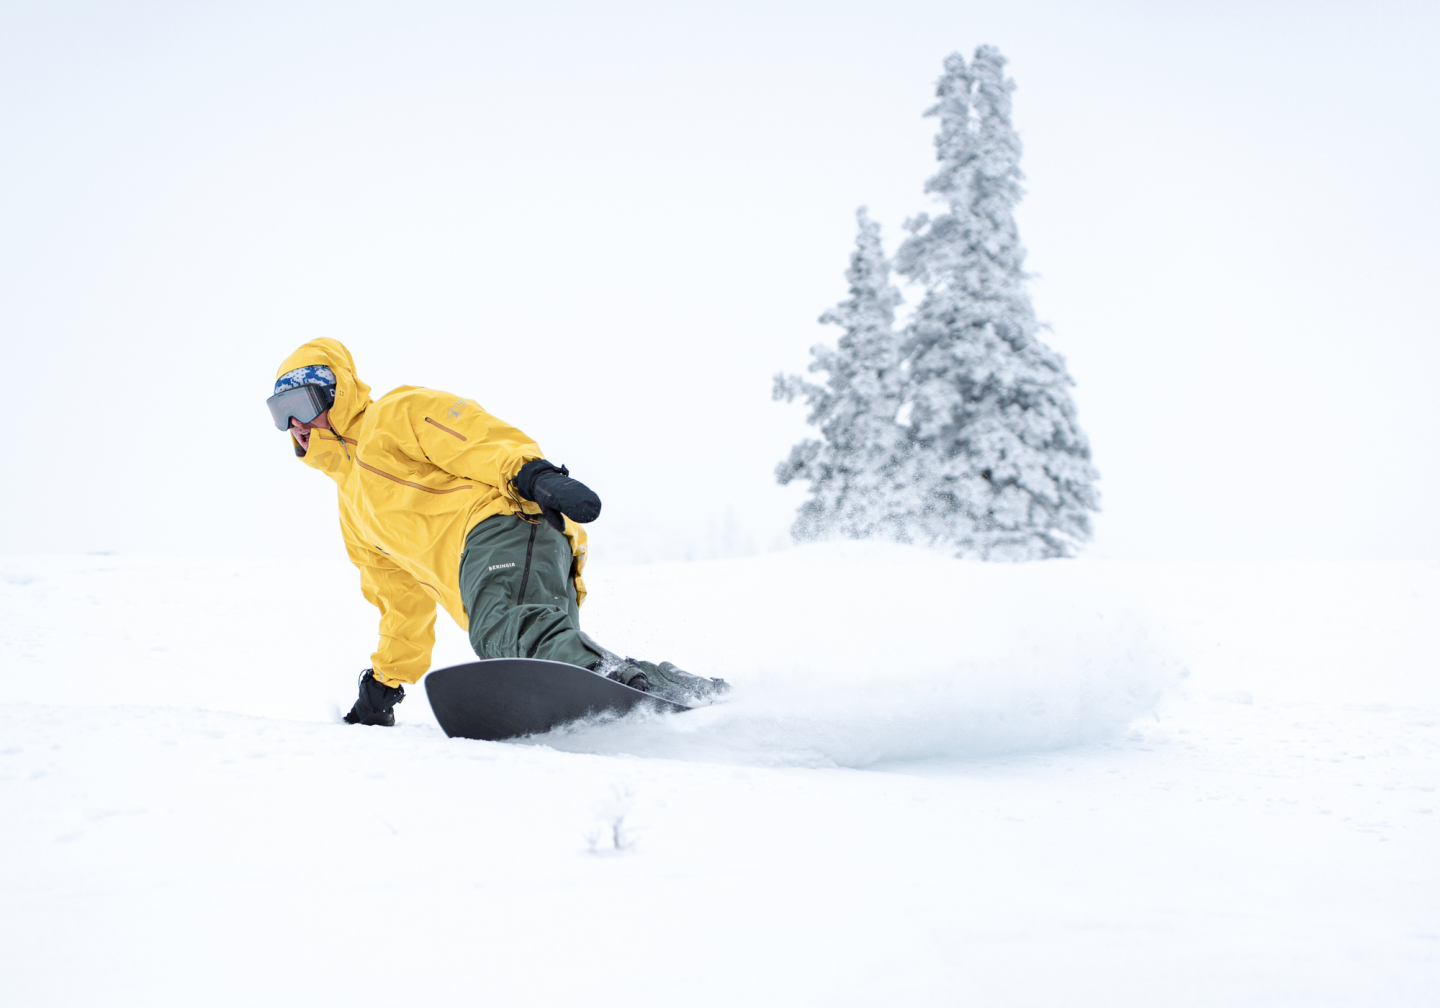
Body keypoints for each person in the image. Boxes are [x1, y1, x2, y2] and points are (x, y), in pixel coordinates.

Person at [267, 338, 725, 726]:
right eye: (279, 414)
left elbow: (476, 438)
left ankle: (612, 680)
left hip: (502, 527)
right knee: (531, 655)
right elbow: (402, 605)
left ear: (335, 393)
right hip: (502, 566)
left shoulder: (392, 417)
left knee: (506, 631)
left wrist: (534, 475)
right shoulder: (353, 513)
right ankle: (679, 692)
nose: (294, 425)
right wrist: (384, 685)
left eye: (299, 405)